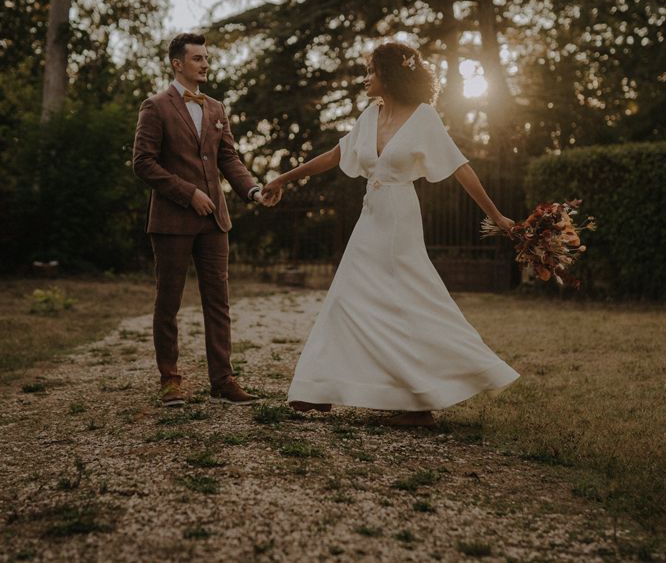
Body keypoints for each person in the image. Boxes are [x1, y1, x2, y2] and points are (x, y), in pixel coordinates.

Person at [262, 41, 520, 427]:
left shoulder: (424, 117)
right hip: (370, 218)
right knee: (345, 297)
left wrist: (497, 216)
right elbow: (335, 155)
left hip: (400, 219)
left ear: (390, 75)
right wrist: (285, 177)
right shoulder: (371, 115)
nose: (365, 79)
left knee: (405, 303)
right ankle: (318, 388)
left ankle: (418, 405)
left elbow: (460, 168)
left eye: (371, 72)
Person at [133, 32, 281, 407]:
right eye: (197, 58)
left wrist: (252, 190)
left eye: (206, 58)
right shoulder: (155, 106)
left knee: (219, 301)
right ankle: (170, 380)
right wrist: (188, 193)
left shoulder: (215, 108)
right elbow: (143, 163)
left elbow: (228, 158)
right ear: (177, 63)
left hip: (216, 222)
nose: (205, 64)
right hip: (171, 222)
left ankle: (223, 379)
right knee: (168, 302)